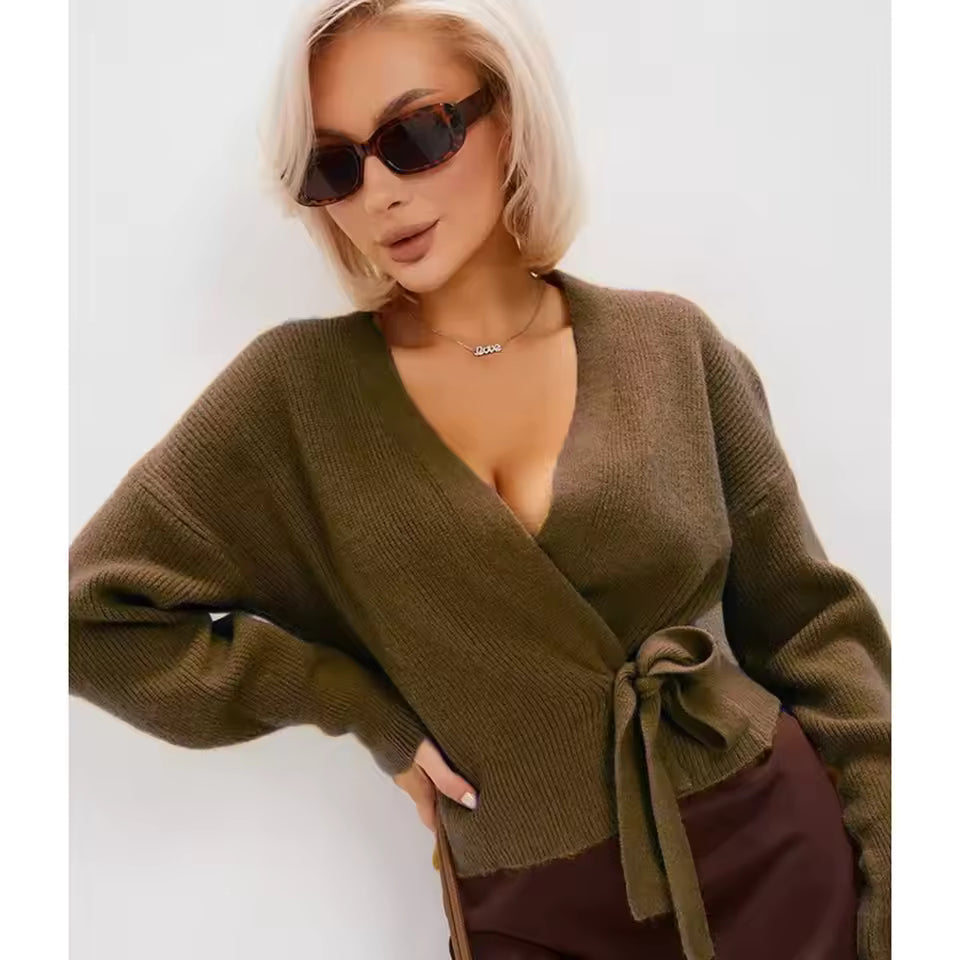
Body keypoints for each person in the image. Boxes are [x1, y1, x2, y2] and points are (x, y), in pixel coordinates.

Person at [69, 2, 891, 958]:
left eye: (414, 137)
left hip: (775, 853)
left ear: (508, 117)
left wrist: (902, 895)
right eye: (334, 167)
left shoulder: (670, 345)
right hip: (527, 909)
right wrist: (345, 700)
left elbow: (813, 632)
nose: (379, 194)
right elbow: (84, 618)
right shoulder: (294, 396)